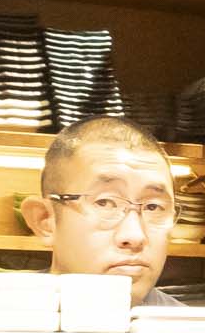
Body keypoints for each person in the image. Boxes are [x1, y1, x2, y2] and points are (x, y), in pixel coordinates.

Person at [18, 117, 186, 299]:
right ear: (45, 221)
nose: (135, 236)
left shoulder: (185, 319)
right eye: (105, 203)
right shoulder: (2, 312)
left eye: (153, 207)